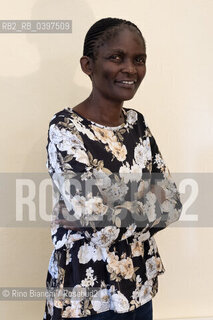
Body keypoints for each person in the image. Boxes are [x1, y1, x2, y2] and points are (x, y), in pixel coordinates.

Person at [43, 17, 182, 320]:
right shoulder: (66, 130)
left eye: (139, 59)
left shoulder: (137, 124)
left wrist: (107, 203)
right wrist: (144, 196)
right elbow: (100, 224)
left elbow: (172, 204)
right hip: (86, 295)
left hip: (139, 287)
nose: (130, 68)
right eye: (116, 57)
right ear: (87, 65)